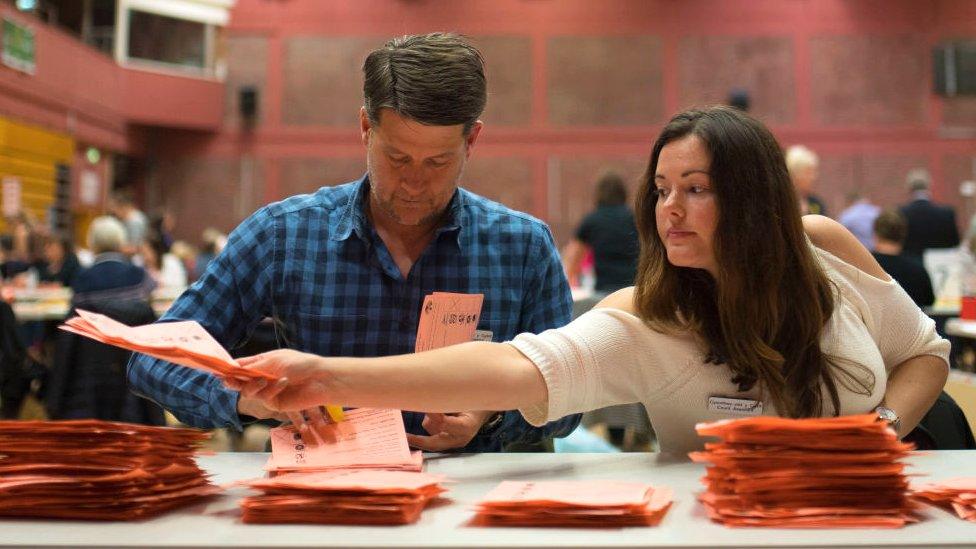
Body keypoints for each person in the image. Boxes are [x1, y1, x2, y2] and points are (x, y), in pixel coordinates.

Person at [230, 107, 950, 456]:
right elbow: (513, 364)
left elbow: (924, 351)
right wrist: (329, 376)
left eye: (695, 187)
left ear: (754, 196)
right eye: (662, 188)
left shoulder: (822, 250)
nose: (670, 207)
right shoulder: (648, 318)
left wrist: (881, 430)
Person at [127, 32, 580, 452]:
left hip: (470, 506)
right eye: (397, 157)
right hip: (326, 495)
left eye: (438, 162)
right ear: (366, 126)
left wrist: (495, 408)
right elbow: (153, 359)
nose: (414, 184)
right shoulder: (284, 235)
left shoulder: (521, 248)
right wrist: (250, 400)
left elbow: (571, 398)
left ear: (473, 140)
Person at [562, 172, 639, 295]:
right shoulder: (634, 219)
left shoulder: (591, 221)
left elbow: (573, 258)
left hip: (603, 291)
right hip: (632, 290)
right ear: (623, 192)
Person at [71, 216, 155, 308]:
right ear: (121, 241)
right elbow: (150, 307)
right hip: (131, 322)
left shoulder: (82, 278)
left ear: (92, 243)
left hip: (96, 323)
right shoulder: (139, 275)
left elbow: (76, 314)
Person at [871, 209, 935, 308]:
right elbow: (929, 302)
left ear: (875, 234)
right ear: (903, 234)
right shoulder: (917, 269)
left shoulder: (864, 265)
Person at [899, 168, 960, 258]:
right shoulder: (947, 213)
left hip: (909, 265)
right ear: (929, 186)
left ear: (909, 187)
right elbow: (955, 243)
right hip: (940, 265)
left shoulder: (900, 214)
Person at [785, 145, 828, 216]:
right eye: (809, 173)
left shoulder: (816, 203)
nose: (814, 177)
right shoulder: (782, 203)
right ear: (794, 173)